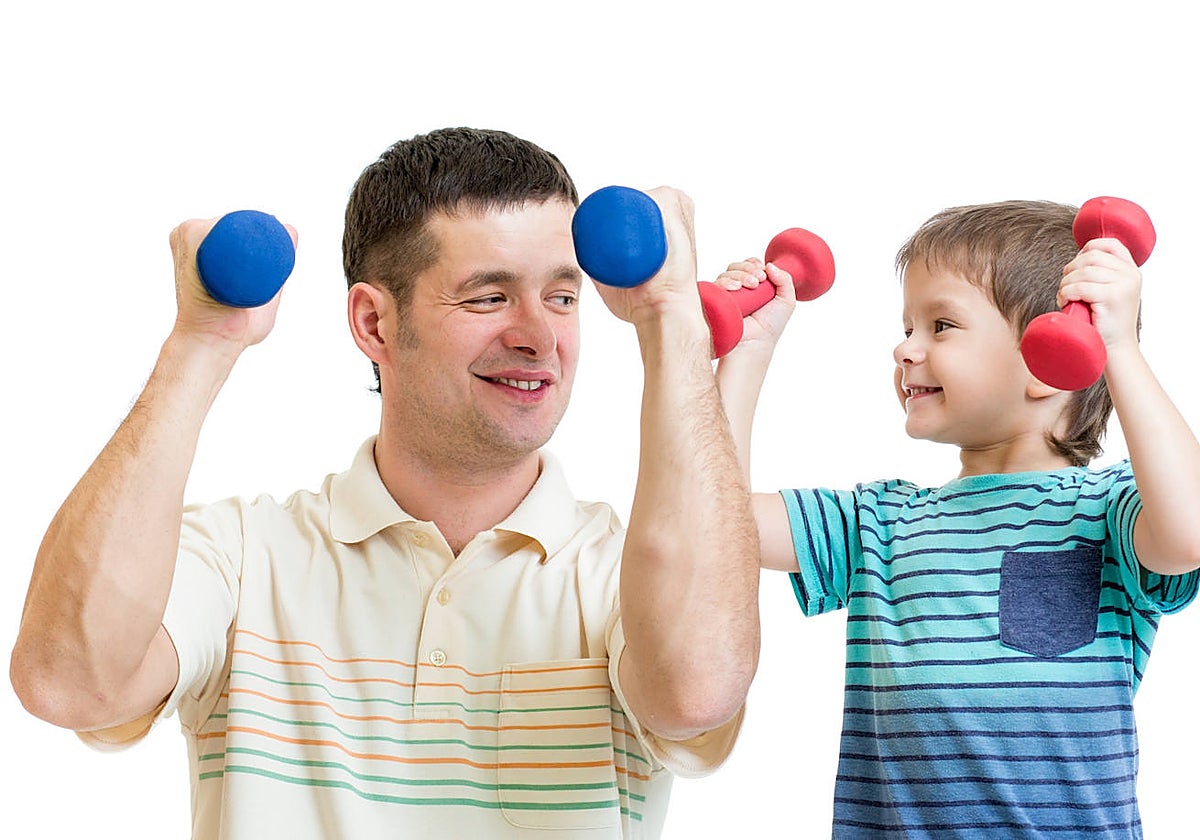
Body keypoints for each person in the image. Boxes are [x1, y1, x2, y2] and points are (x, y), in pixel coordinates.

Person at [10, 127, 761, 839]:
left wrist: (671, 322)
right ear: (373, 324)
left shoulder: (624, 579)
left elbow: (694, 690)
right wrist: (203, 340)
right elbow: (70, 682)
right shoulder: (242, 558)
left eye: (562, 297)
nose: (539, 336)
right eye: (488, 296)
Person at [715, 199, 1200, 837]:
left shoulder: (1108, 514)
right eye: (908, 325)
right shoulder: (876, 522)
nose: (904, 347)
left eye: (940, 325)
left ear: (1047, 361)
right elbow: (708, 527)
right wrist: (743, 358)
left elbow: (1188, 531)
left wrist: (1120, 349)